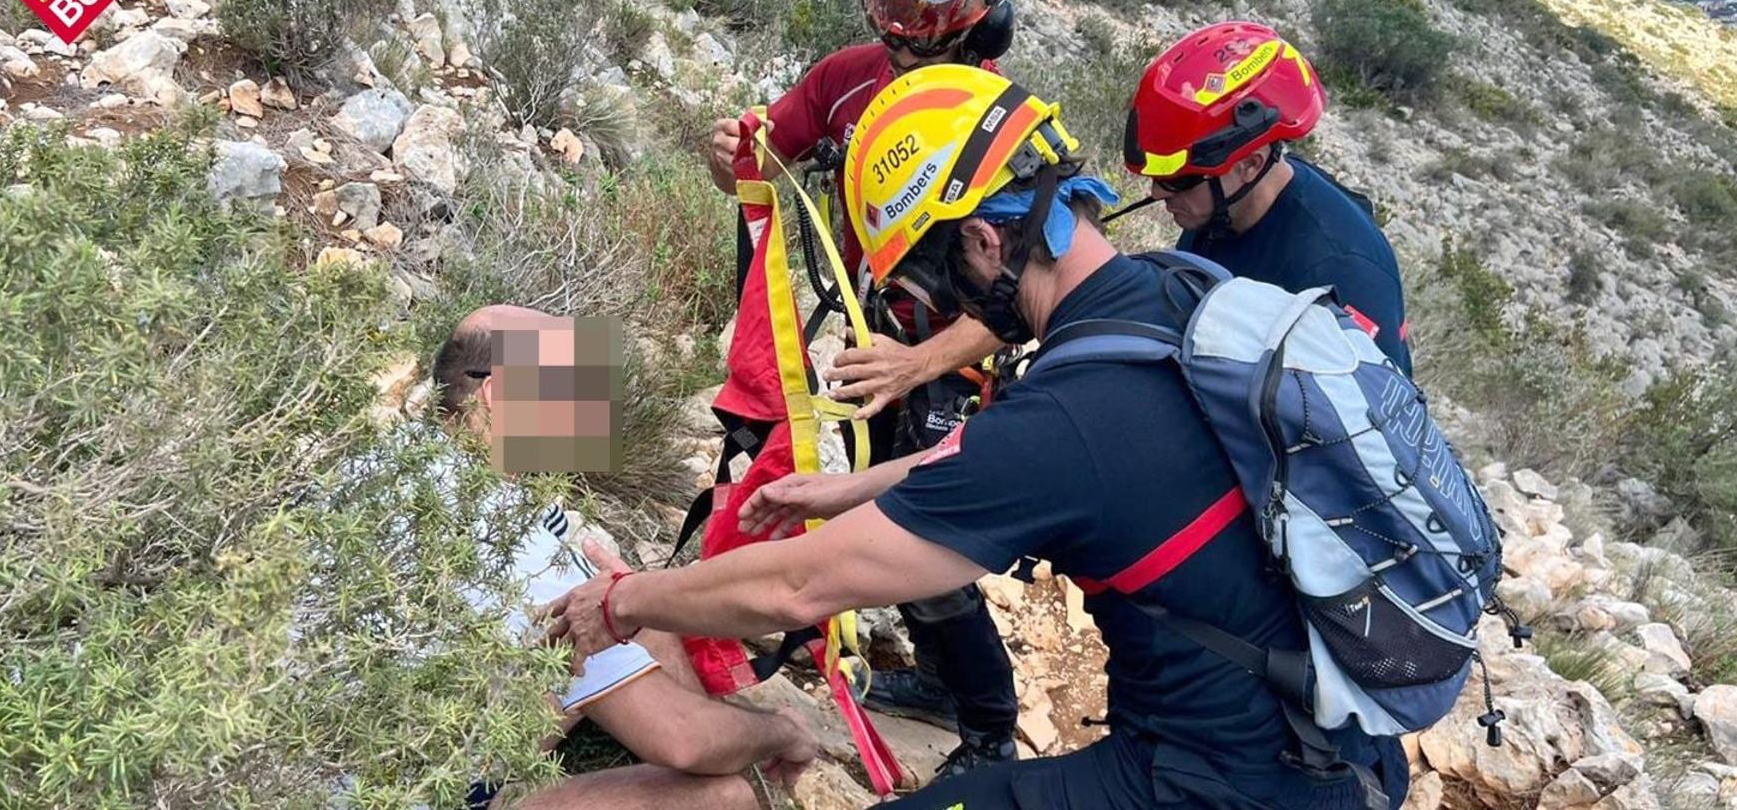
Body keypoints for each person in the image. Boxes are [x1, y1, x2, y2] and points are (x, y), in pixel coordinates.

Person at [551, 67, 1408, 808]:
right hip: (1332, 737)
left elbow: (798, 589)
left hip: (1220, 781)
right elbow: (1066, 460)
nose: (946, 306)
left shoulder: (1068, 421)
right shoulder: (1170, 287)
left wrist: (620, 602)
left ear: (984, 239)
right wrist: (848, 487)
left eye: (937, 277)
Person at [704, 0, 1021, 772]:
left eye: (923, 11)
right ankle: (943, 680)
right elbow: (763, 158)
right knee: (884, 515)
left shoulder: (996, 120)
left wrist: (918, 362)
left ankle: (991, 725)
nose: (901, 29)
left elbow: (1020, 293)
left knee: (924, 537)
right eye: (888, 3)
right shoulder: (848, 77)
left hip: (950, 356)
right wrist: (733, 148)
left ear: (971, 17)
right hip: (871, 342)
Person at [433, 305, 819, 810]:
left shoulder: (389, 462)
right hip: (414, 796)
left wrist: (633, 602)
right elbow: (684, 739)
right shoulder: (515, 543)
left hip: (320, 765)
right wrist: (783, 732)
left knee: (625, 599)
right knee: (723, 797)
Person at [1122, 21, 1413, 375]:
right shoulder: (1221, 204)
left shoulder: (1341, 270)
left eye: (1177, 180)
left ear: (1249, 164)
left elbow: (1375, 412)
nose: (1157, 193)